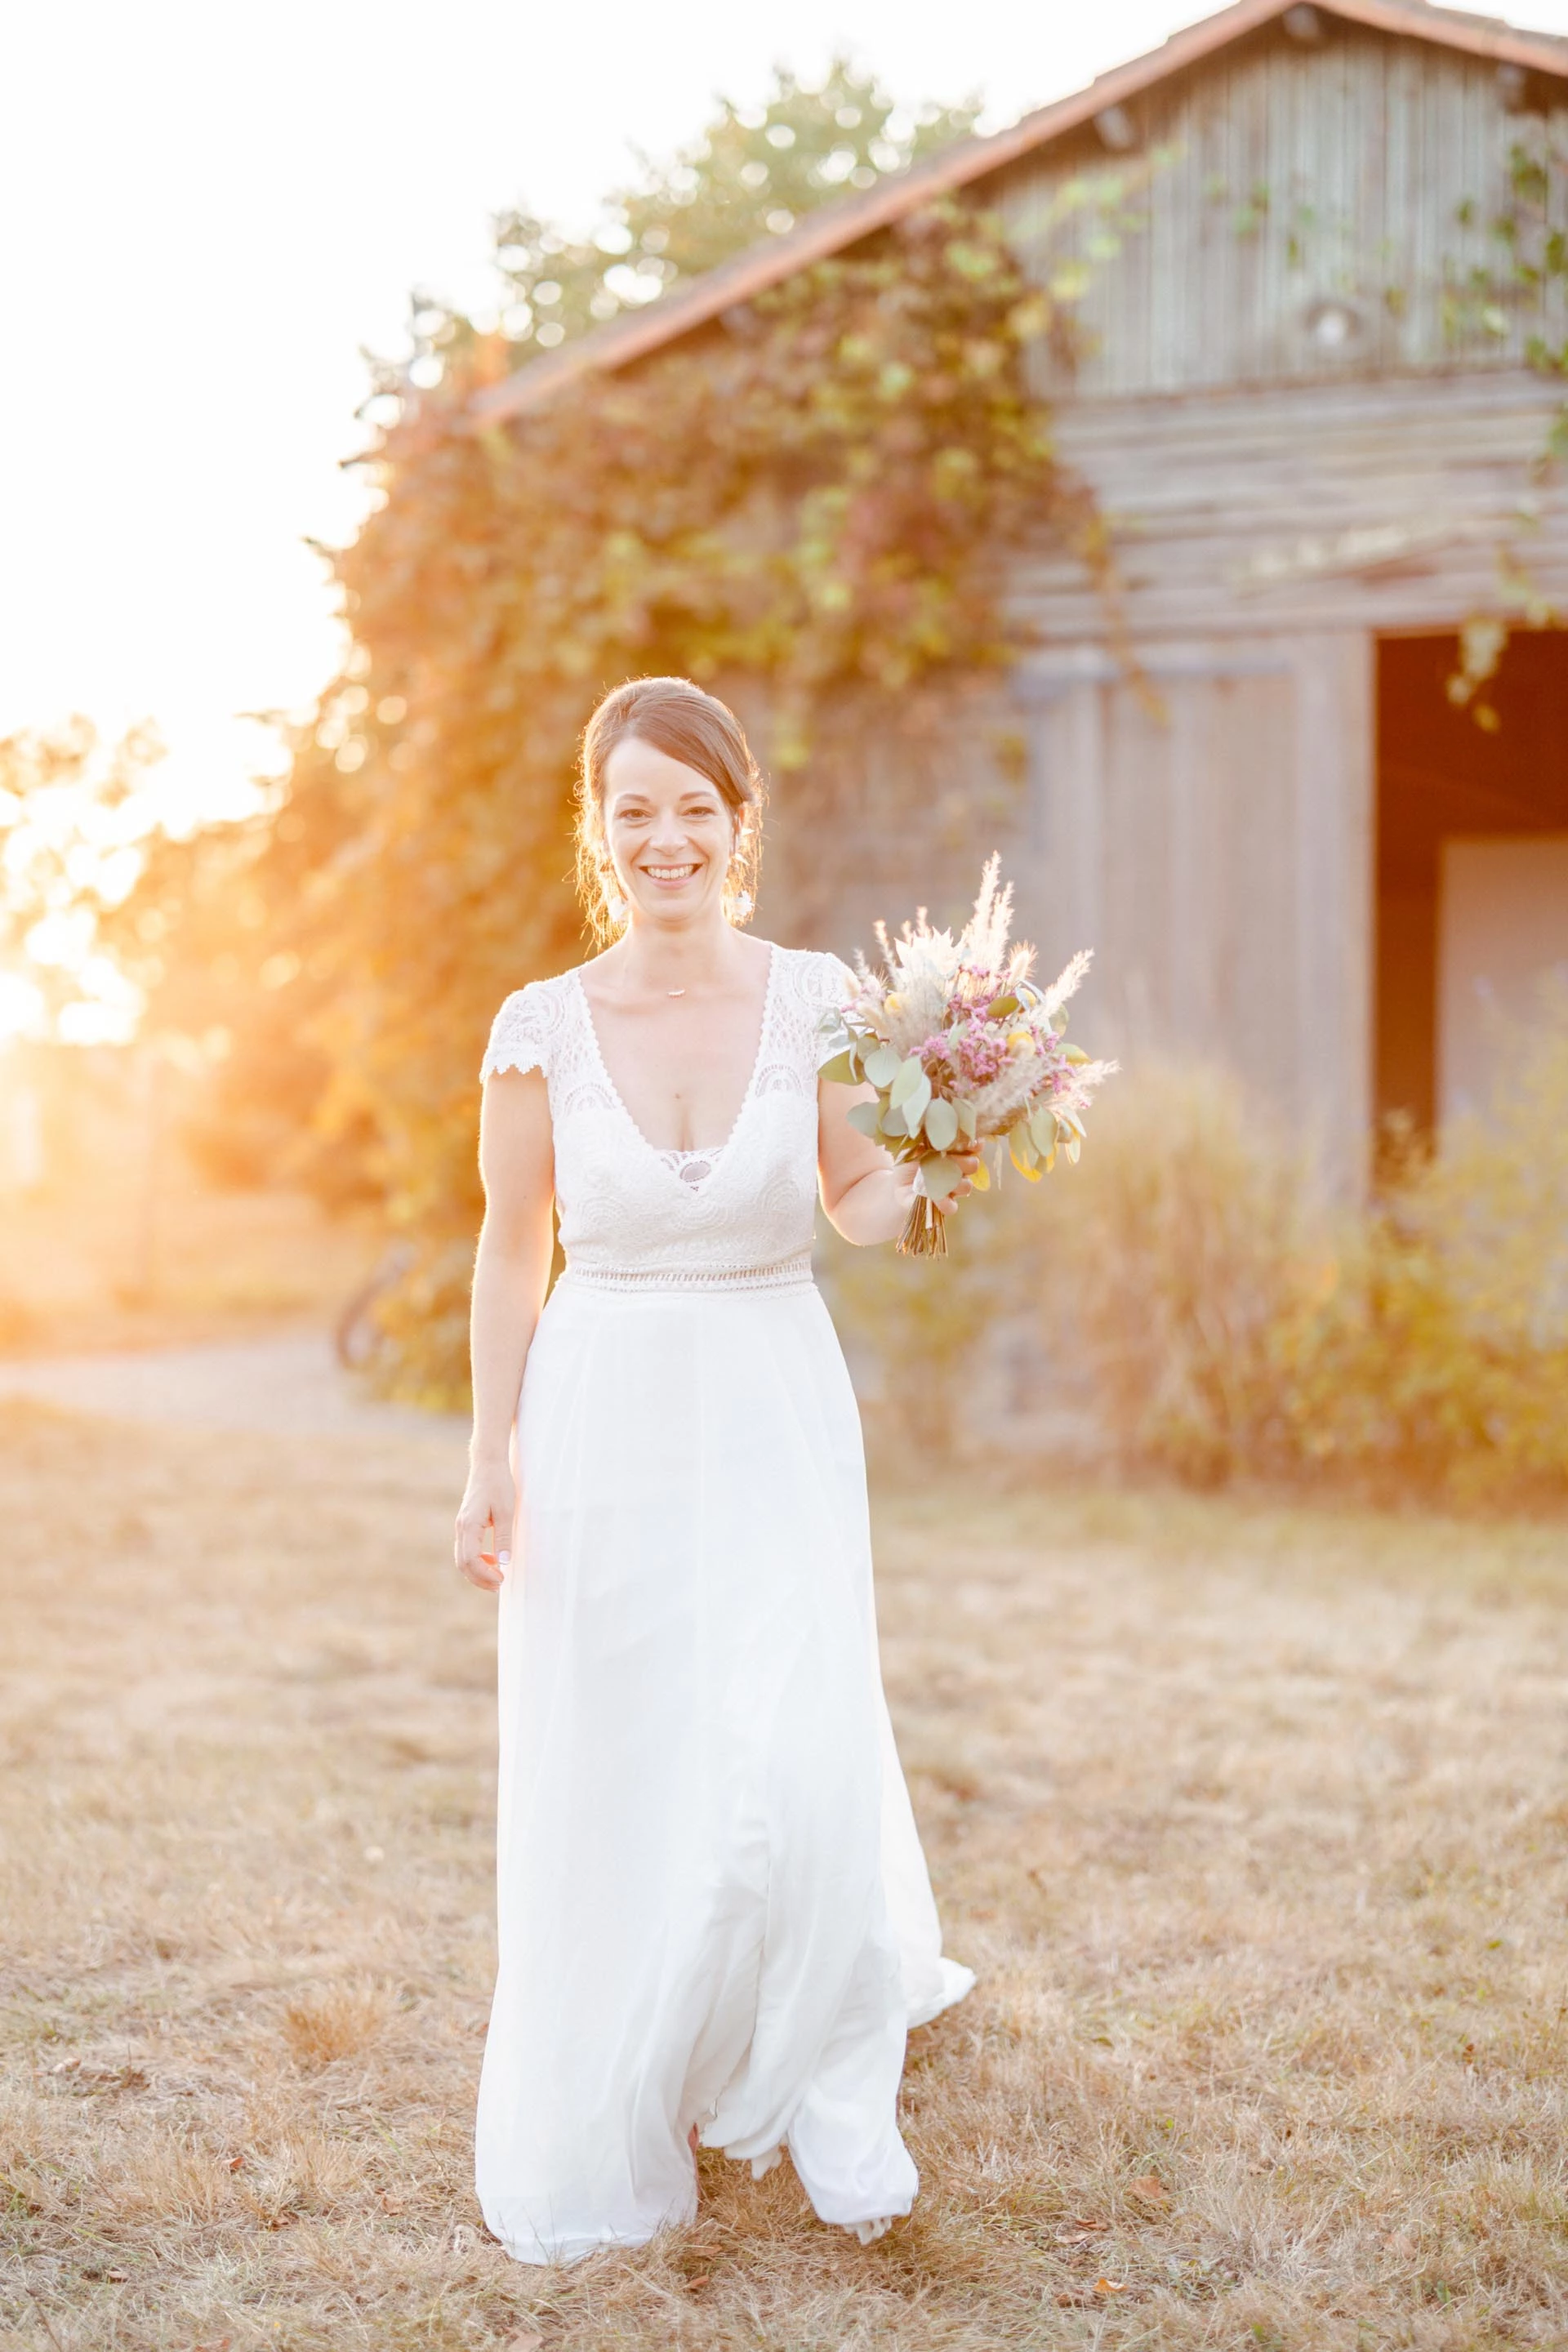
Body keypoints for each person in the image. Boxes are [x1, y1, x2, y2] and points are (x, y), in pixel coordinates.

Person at [456, 675, 975, 2265]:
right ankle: (648, 2055)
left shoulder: (816, 998)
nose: (665, 837)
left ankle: (807, 2052)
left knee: (791, 1726)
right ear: (599, 834)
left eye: (695, 807)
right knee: (626, 1729)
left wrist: (935, 1175)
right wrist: (490, 1451)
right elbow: (505, 1249)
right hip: (600, 1399)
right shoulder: (538, 1027)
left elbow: (858, 1192)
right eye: (635, 811)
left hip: (770, 1394)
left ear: (736, 827)